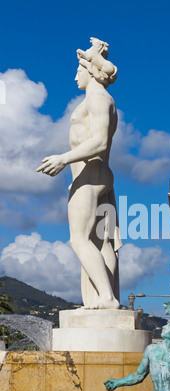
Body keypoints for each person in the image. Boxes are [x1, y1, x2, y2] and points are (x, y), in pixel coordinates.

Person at [37, 39, 121, 309]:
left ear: (90, 70)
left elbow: (100, 142)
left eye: (78, 70)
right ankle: (108, 297)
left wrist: (63, 158)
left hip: (89, 173)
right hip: (101, 174)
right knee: (102, 240)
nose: (75, 76)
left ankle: (106, 297)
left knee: (78, 239)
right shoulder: (105, 100)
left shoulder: (97, 98)